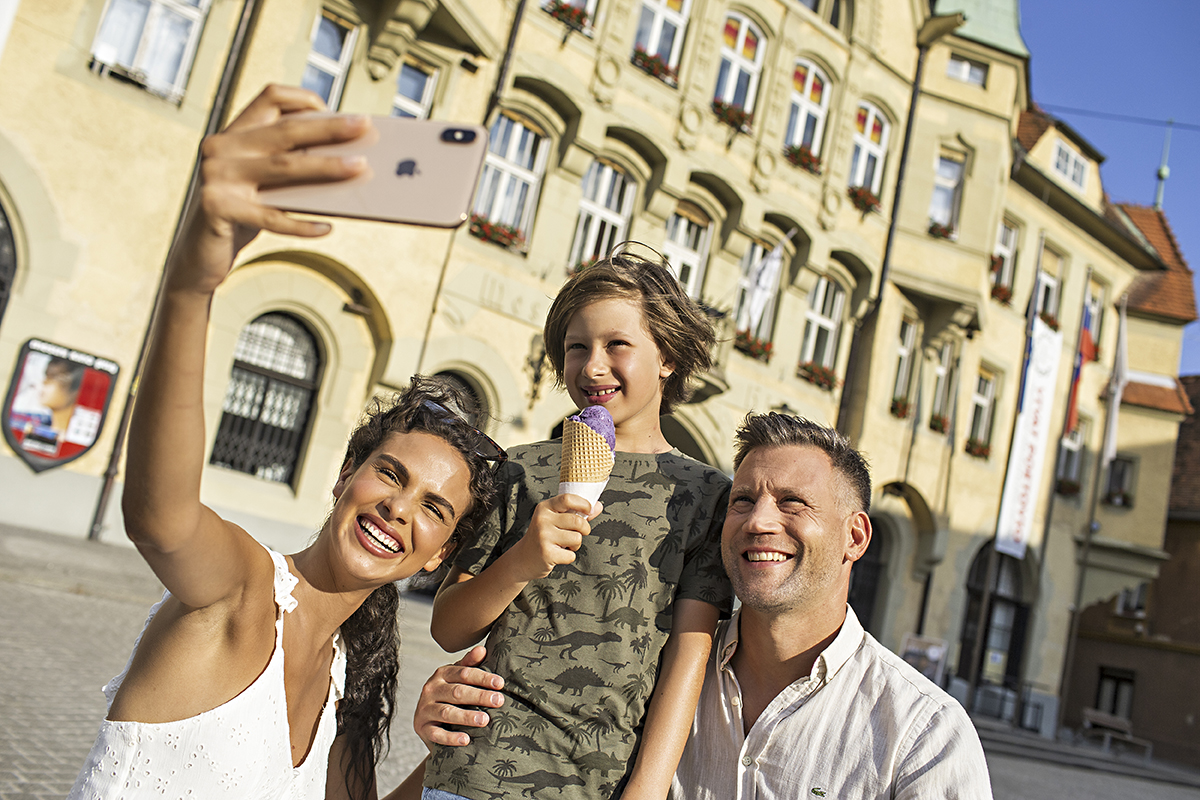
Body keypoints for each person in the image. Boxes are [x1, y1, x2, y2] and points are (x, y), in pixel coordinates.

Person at [68, 85, 503, 800]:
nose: (399, 508)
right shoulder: (242, 593)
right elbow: (162, 518)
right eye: (389, 474)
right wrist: (194, 282)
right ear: (344, 477)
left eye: (434, 508)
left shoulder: (347, 682)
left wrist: (449, 746)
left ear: (442, 554)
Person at [414, 412, 994, 799]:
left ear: (856, 537)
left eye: (793, 503)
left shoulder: (922, 736)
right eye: (743, 500)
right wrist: (446, 721)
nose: (760, 521)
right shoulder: (659, 668)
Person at [417, 251, 733, 800]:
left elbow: (690, 653)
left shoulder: (705, 497)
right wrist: (522, 561)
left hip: (600, 786)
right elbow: (449, 628)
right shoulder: (523, 466)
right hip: (477, 768)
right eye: (576, 347)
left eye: (617, 345)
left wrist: (649, 787)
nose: (592, 366)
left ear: (668, 357)